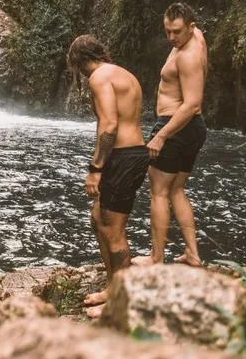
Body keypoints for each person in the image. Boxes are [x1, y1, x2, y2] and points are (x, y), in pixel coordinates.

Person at [67, 35, 149, 318]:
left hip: (122, 158)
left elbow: (110, 124)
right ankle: (114, 287)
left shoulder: (99, 77)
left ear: (77, 61)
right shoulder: (124, 74)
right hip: (132, 154)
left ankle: (121, 303)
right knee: (98, 219)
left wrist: (96, 169)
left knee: (113, 231)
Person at [133, 2, 208, 267]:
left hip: (175, 126)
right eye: (167, 31)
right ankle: (193, 254)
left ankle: (156, 259)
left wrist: (161, 135)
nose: (171, 38)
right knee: (176, 189)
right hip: (193, 129)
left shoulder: (187, 56)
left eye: (177, 31)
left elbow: (192, 104)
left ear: (191, 27)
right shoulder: (195, 38)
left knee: (159, 193)